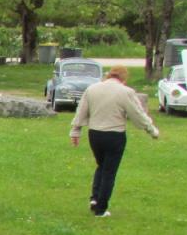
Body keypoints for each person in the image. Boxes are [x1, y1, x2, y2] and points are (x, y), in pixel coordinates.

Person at [68, 65, 159, 217]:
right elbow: (137, 114)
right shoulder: (126, 92)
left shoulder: (92, 89)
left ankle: (95, 199)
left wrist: (75, 131)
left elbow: (82, 111)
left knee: (101, 166)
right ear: (123, 78)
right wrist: (152, 130)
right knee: (109, 171)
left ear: (109, 75)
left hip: (95, 134)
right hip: (114, 135)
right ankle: (101, 209)